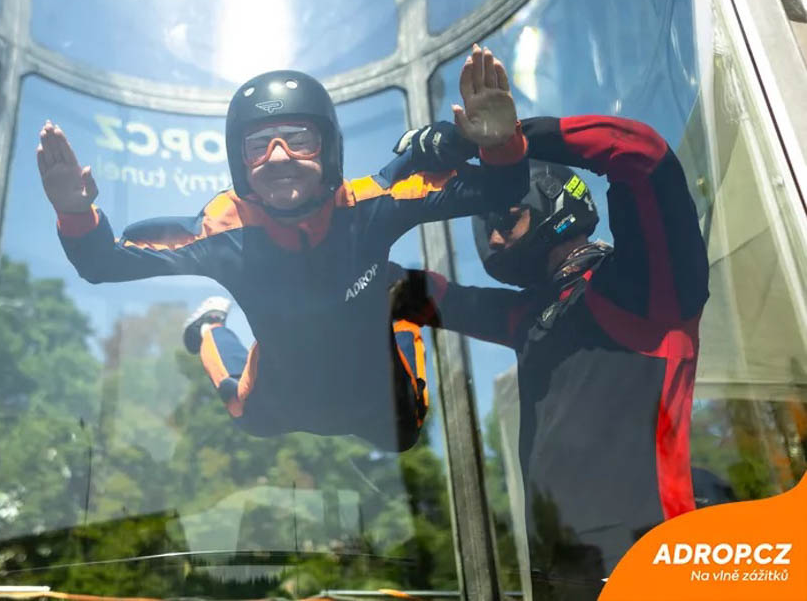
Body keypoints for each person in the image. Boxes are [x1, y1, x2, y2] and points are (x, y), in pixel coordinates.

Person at [37, 47, 528, 451]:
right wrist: (74, 211)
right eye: (258, 146)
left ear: (330, 149)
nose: (277, 157)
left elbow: (500, 192)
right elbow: (103, 264)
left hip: (377, 400)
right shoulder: (225, 229)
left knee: (406, 431)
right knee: (242, 411)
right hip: (281, 394)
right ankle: (209, 326)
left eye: (298, 139)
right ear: (239, 161)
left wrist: (499, 142)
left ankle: (398, 294)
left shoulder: (369, 204)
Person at [391, 49, 710, 597]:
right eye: (484, 228)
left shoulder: (641, 285)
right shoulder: (526, 316)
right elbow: (422, 295)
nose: (491, 239)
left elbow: (643, 154)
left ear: (549, 197)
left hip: (654, 573)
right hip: (560, 583)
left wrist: (508, 141)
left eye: (503, 218)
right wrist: (371, 205)